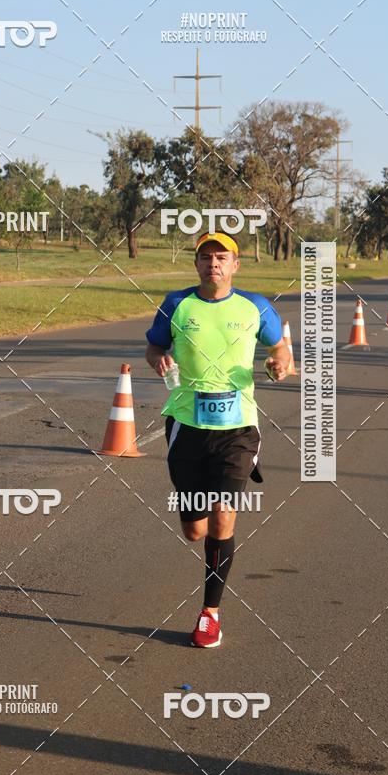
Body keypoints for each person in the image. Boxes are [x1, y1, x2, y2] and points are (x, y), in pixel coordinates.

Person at [145, 232, 290, 648]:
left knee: (224, 515)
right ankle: (204, 528)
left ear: (235, 265)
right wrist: (161, 360)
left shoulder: (255, 307)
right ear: (196, 265)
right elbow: (153, 350)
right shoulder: (176, 304)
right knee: (195, 530)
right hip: (186, 427)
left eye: (222, 257)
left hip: (238, 429)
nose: (214, 264)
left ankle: (210, 613)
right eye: (206, 257)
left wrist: (278, 364)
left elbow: (280, 350)